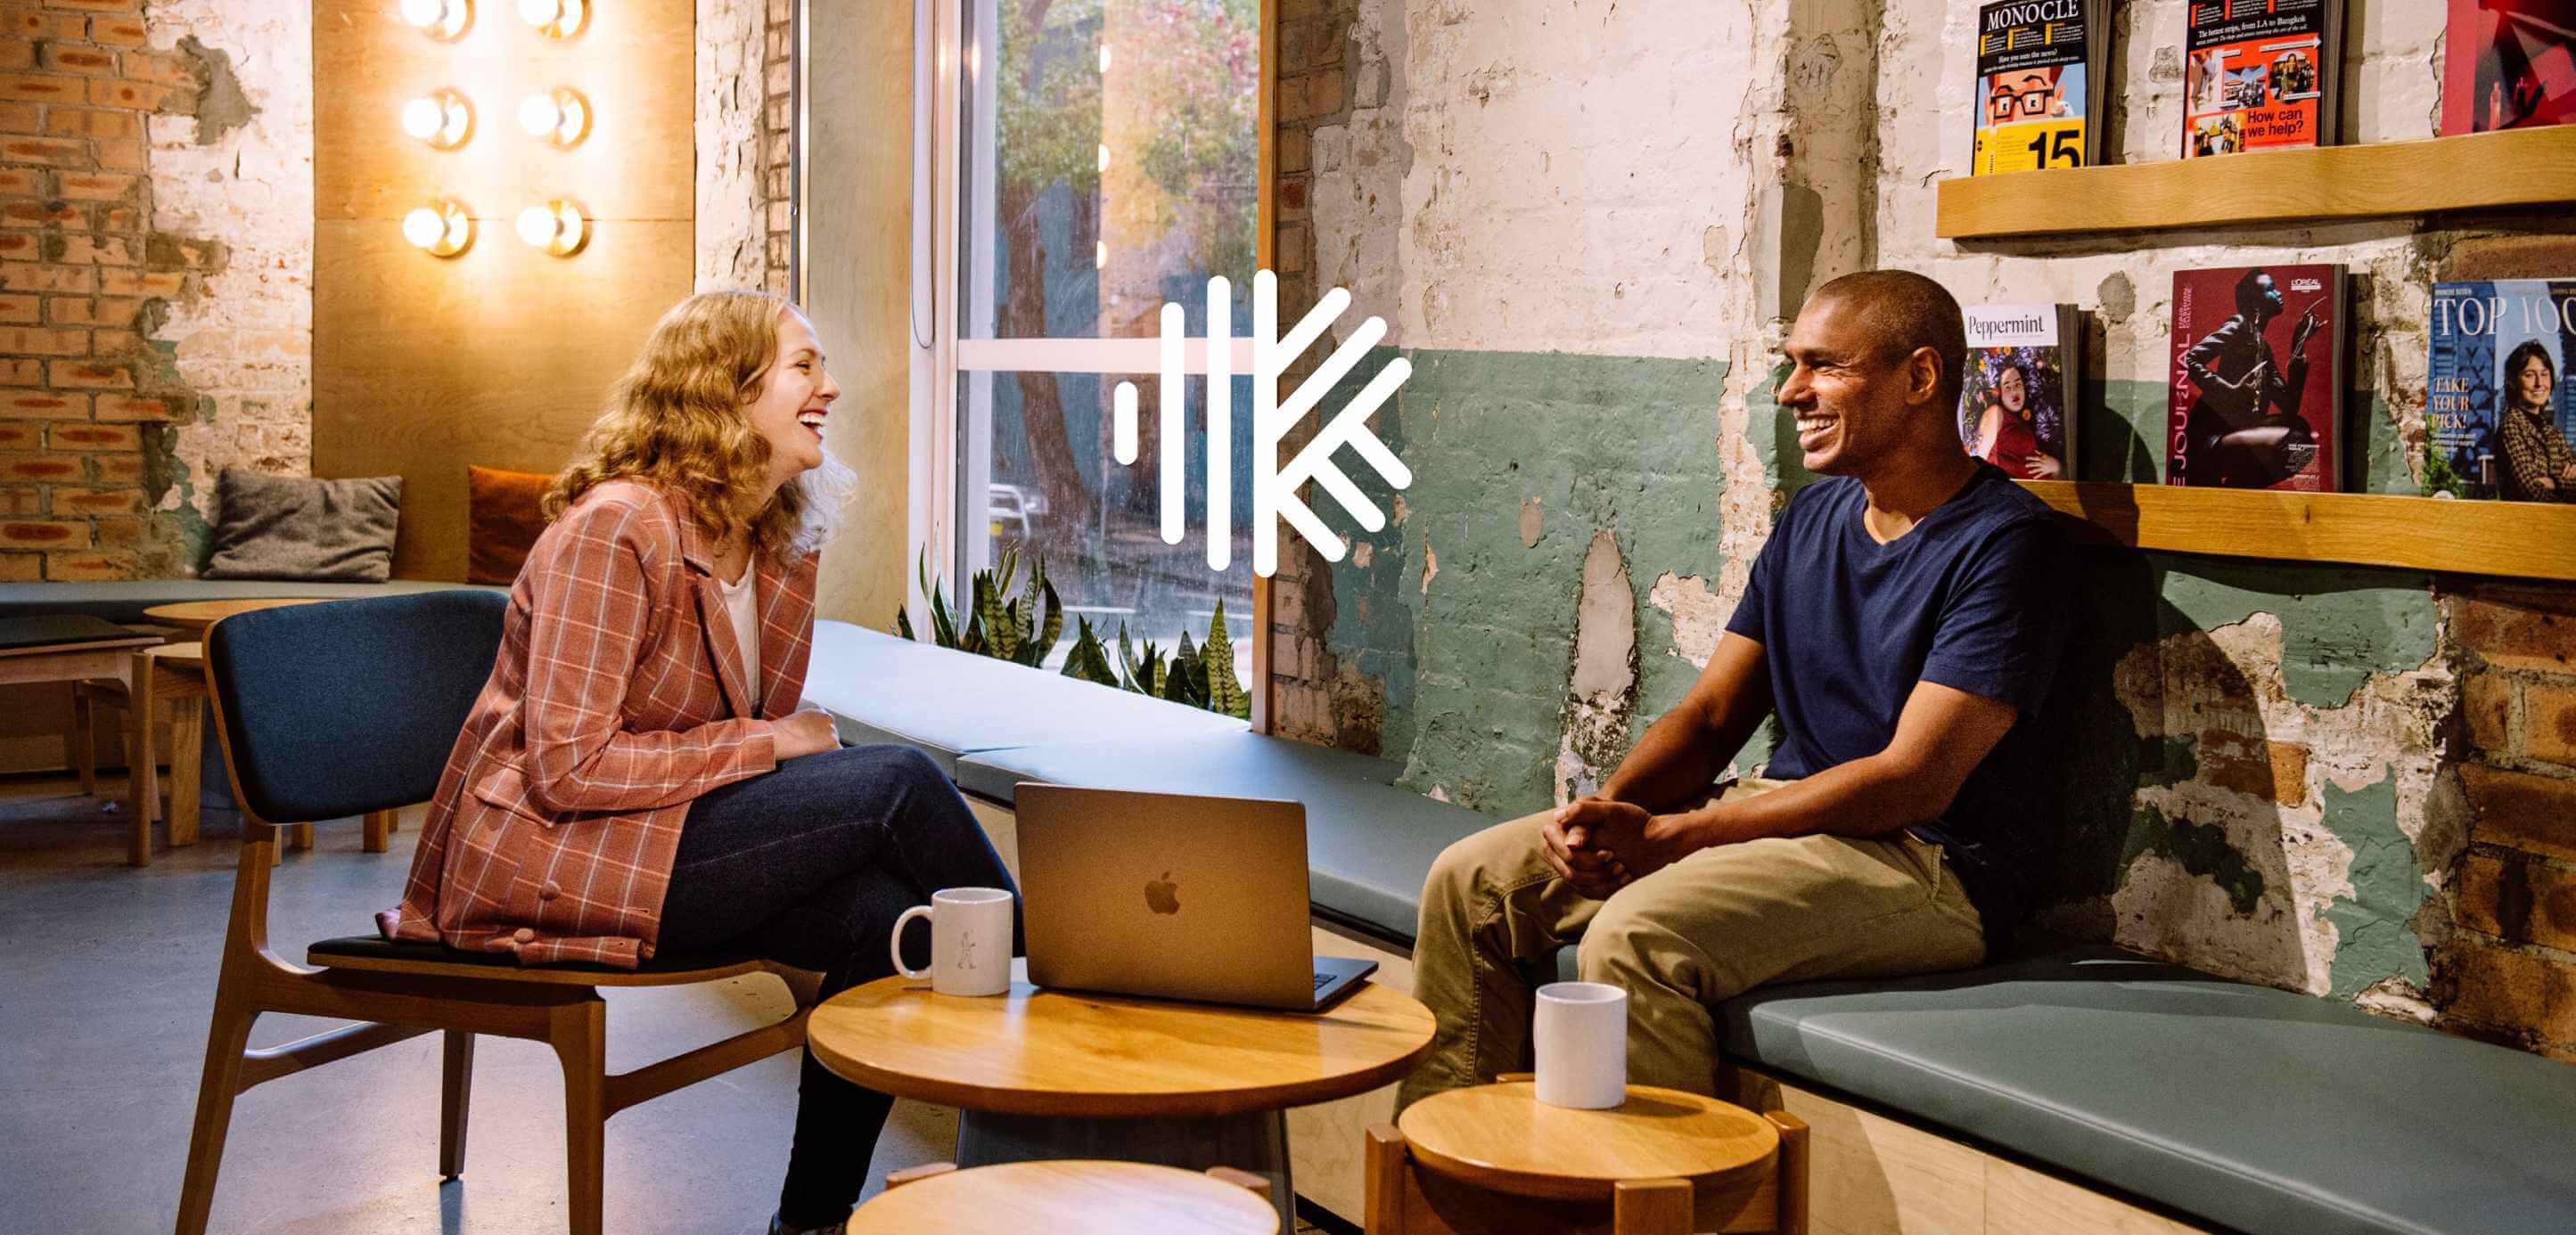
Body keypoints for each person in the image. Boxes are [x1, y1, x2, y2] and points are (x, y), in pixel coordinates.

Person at [380, 290, 1017, 1235]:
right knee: (897, 783)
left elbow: (741, 739)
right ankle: (1064, 990)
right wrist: (770, 743)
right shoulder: (616, 530)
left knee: (885, 919)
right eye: (804, 366)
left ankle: (810, 1221)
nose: (831, 388)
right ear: (726, 387)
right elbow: (568, 768)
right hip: (549, 849)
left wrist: (772, 750)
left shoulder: (777, 539)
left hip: (661, 835)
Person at [1396, 270, 2071, 1107]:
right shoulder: (1813, 518)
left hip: (1926, 862)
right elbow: (1713, 714)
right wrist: (1608, 812)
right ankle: (1453, 1169)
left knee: (1636, 937)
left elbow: (1912, 780)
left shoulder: (2010, 546)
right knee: (1469, 885)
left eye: (1824, 366)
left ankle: (1660, 1181)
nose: (1791, 391)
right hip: (1782, 814)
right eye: (1792, 365)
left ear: (1921, 378)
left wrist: (1678, 837)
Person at [2176, 268, 2319, 487]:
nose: (2279, 293)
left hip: (2236, 430)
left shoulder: (2263, 347)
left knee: (2300, 429)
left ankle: (2236, 490)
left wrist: (2298, 345)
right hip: (2210, 436)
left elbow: (2289, 406)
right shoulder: (2238, 325)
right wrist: (2229, 389)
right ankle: (2230, 488)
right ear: (2254, 302)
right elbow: (2188, 359)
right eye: (2271, 289)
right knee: (2297, 441)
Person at [2498, 339, 2576, 503]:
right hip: (2523, 517)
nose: (2539, 383)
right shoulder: (2511, 426)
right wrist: (2565, 484)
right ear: (2514, 381)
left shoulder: (2555, 434)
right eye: (2530, 375)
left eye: (2544, 374)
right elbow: (2532, 493)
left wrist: (2553, 483)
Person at [1966, 359, 2062, 479]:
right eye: (2007, 387)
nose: (2014, 391)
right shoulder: (1996, 413)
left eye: (2018, 384)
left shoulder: (2026, 421)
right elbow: (1980, 460)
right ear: (1999, 393)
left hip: (2046, 487)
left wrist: (2056, 466)